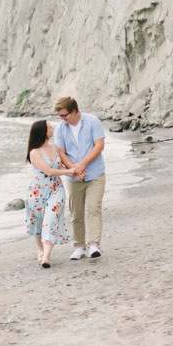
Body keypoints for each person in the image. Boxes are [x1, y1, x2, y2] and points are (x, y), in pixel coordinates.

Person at [53, 96, 107, 261]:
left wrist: (82, 164)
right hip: (73, 177)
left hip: (95, 174)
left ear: (74, 111)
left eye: (64, 115)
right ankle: (79, 247)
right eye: (60, 116)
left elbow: (99, 145)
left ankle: (94, 245)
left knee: (93, 208)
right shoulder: (60, 129)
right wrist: (74, 169)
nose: (62, 119)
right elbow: (61, 153)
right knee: (76, 213)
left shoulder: (92, 121)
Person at [25, 119, 74, 268]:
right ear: (42, 132)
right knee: (39, 222)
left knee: (51, 220)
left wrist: (77, 170)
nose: (52, 128)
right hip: (37, 190)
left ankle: (46, 257)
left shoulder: (55, 148)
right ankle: (40, 249)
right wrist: (69, 172)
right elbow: (49, 171)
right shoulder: (34, 152)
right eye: (49, 127)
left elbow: (67, 164)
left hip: (56, 189)